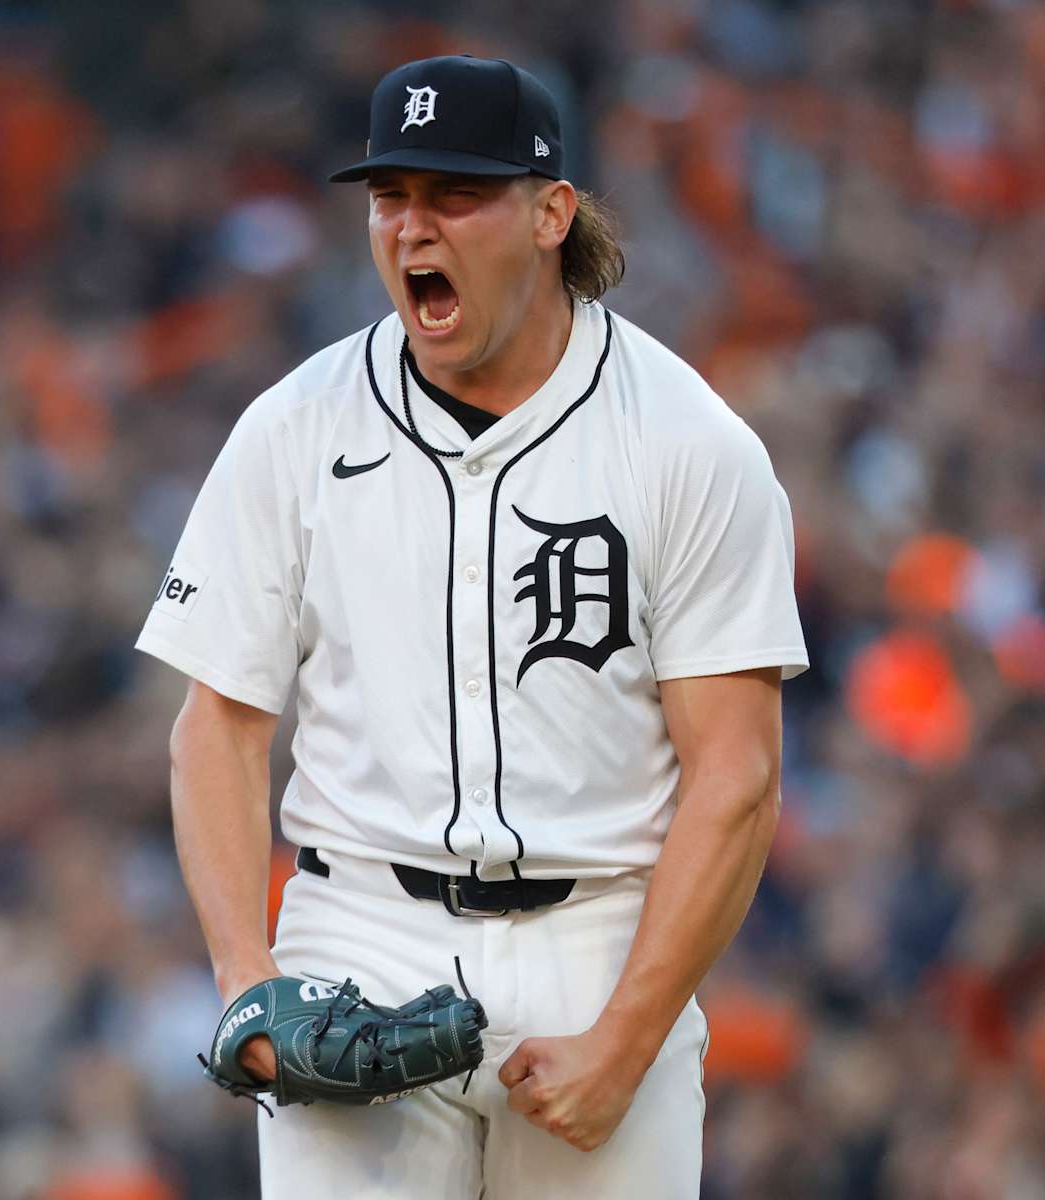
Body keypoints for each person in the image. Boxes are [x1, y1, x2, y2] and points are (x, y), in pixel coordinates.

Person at [135, 53, 807, 1199]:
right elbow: (216, 729)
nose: (413, 229)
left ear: (552, 215)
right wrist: (249, 982)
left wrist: (629, 1039)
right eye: (391, 197)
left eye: (455, 196)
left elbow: (735, 773)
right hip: (359, 937)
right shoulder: (295, 428)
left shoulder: (688, 442)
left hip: (600, 940)